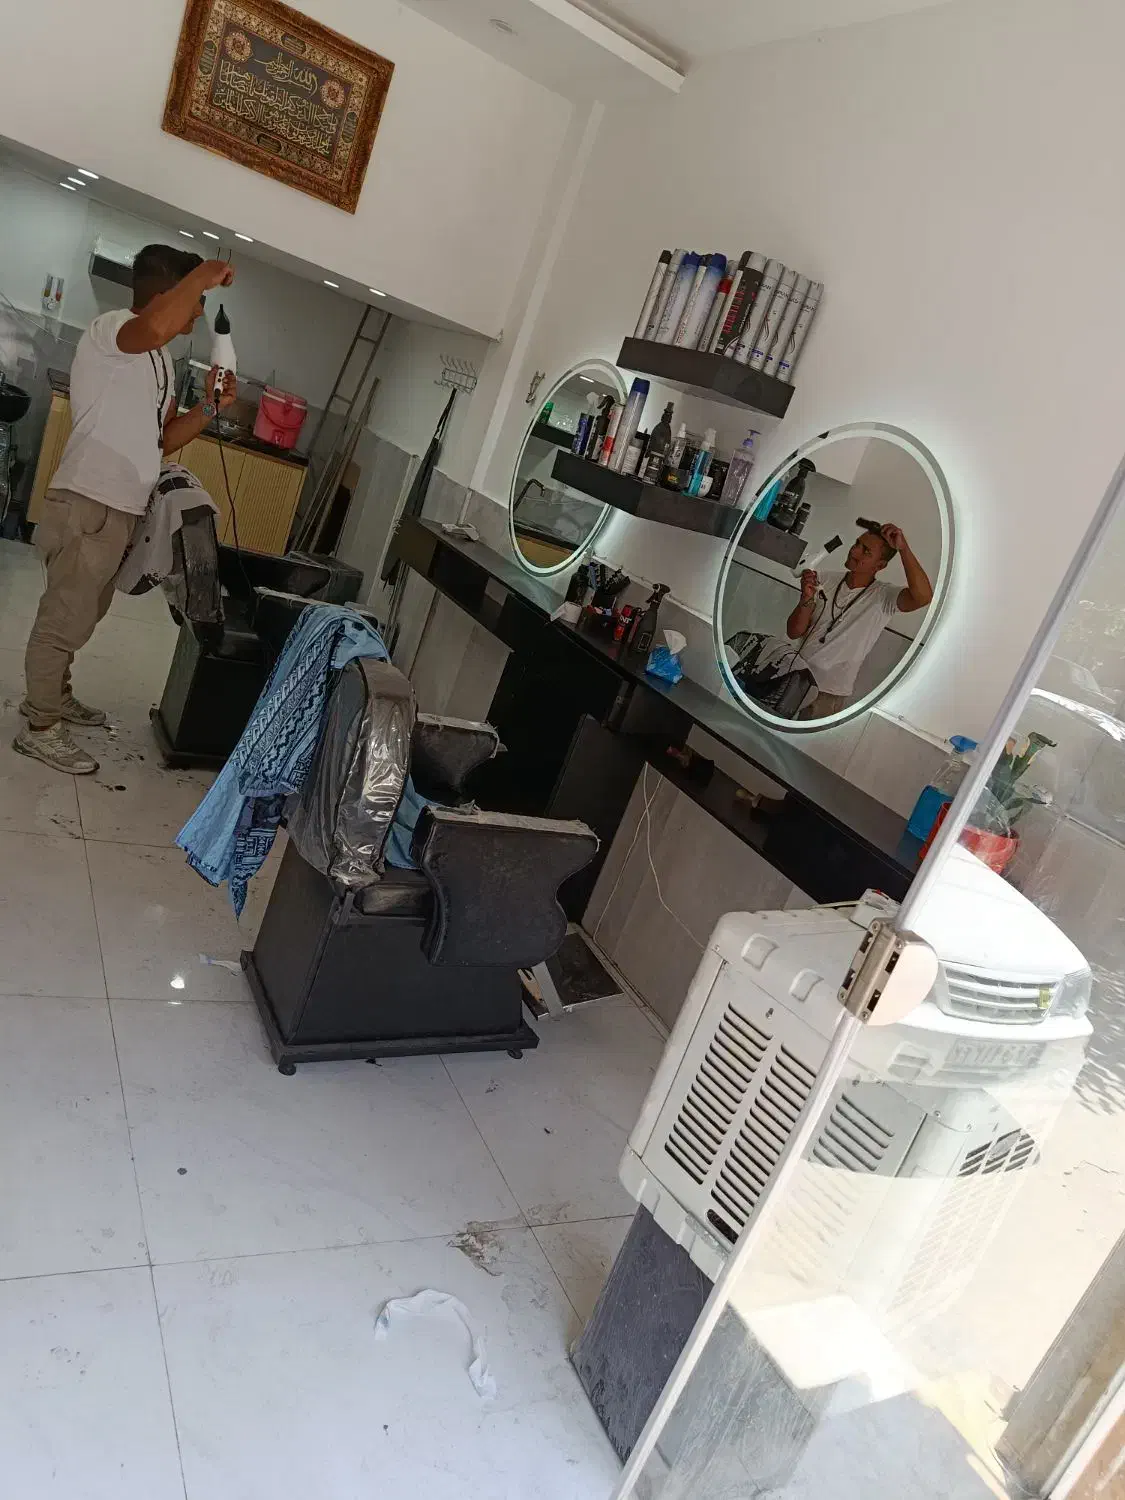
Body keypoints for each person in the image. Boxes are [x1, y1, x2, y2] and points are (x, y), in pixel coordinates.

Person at [15, 246, 238, 774]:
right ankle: (40, 727)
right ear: (167, 294)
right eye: (194, 300)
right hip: (88, 501)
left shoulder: (159, 361)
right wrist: (205, 274)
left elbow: (163, 440)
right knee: (63, 618)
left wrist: (210, 407)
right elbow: (155, 326)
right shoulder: (112, 330)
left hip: (120, 508)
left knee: (85, 615)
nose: (199, 312)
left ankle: (54, 694)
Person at [785, 521, 934, 719]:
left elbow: (923, 597)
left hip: (828, 693)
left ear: (880, 566)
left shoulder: (884, 597)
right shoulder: (823, 579)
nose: (854, 551)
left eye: (866, 551)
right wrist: (806, 599)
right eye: (856, 544)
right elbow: (793, 632)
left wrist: (903, 549)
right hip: (793, 677)